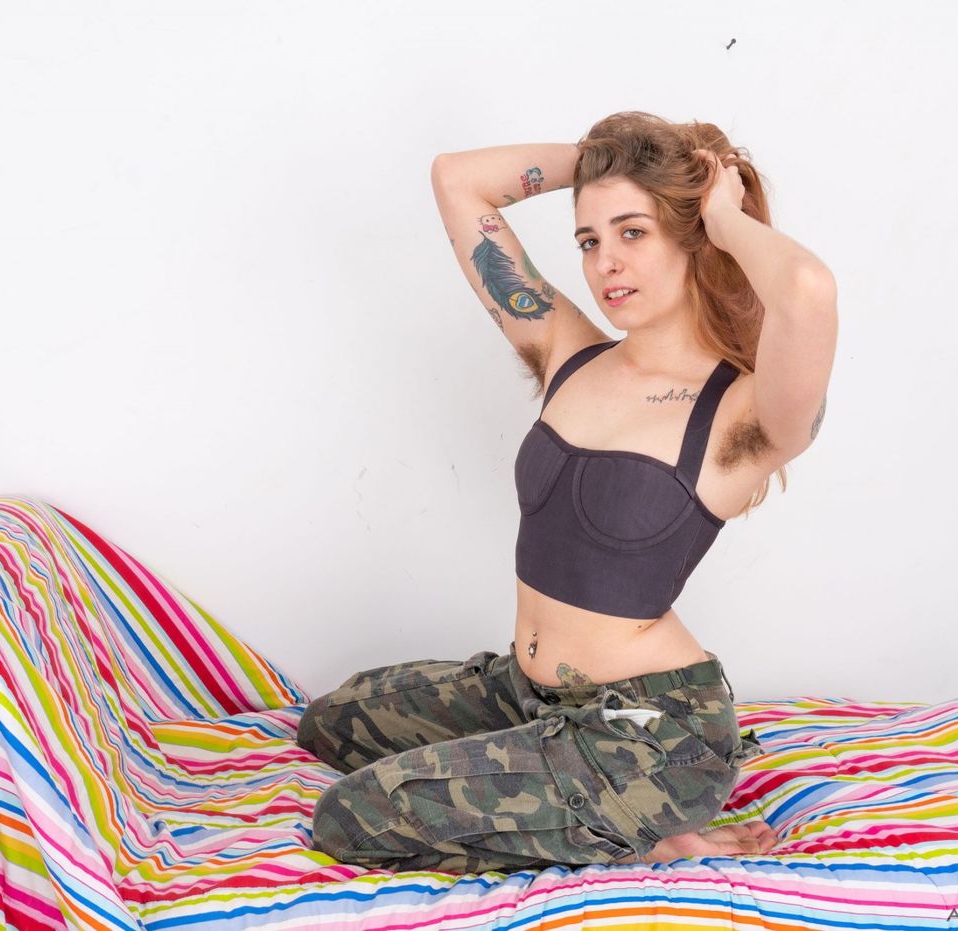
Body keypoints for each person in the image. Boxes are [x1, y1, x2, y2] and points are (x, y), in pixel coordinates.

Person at [295, 111, 837, 874]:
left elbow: (808, 289)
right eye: (588, 240)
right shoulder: (569, 352)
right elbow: (458, 179)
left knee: (351, 815)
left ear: (692, 238)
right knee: (331, 723)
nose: (606, 262)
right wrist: (608, 162)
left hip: (653, 736)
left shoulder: (743, 414)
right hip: (530, 690)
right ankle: (578, 794)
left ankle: (637, 826)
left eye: (633, 232)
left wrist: (720, 213)